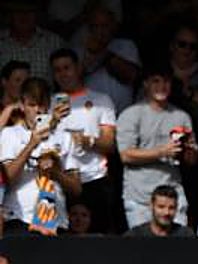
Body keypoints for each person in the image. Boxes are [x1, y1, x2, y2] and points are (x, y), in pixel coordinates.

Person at [116, 64, 197, 228]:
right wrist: (162, 151)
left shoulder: (181, 116)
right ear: (146, 84)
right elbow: (126, 155)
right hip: (139, 196)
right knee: (143, 251)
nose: (161, 86)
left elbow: (192, 161)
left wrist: (188, 150)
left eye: (166, 82)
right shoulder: (131, 114)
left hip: (172, 193)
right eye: (156, 81)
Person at [0, 75, 81, 234]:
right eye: (32, 105)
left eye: (42, 105)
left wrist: (56, 173)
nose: (37, 110)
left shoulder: (64, 137)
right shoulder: (10, 134)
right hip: (20, 219)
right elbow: (6, 178)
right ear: (22, 106)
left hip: (57, 223)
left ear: (49, 105)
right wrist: (31, 145)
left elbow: (77, 189)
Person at [49, 47, 115, 232]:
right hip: (62, 181)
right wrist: (52, 120)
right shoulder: (47, 103)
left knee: (100, 240)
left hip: (95, 180)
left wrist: (89, 141)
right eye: (57, 70)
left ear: (78, 68)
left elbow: (110, 144)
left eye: (67, 67)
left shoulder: (101, 100)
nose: (63, 74)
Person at [0, 3, 65, 79]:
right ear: (10, 15)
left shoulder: (54, 42)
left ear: (37, 15)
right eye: (18, 11)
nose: (24, 15)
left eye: (29, 11)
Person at [123, 184, 193, 237]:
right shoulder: (136, 235)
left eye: (171, 208)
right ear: (151, 206)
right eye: (161, 207)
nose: (166, 212)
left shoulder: (186, 234)